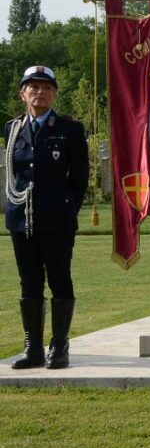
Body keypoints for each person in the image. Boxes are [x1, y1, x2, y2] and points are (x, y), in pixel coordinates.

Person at [5, 65, 88, 370]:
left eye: (46, 88)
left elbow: (79, 179)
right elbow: (15, 171)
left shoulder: (69, 129)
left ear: (54, 94)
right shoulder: (12, 129)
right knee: (29, 283)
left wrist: (67, 210)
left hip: (57, 219)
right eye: (34, 87)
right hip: (21, 218)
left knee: (59, 280)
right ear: (23, 94)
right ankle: (33, 349)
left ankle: (59, 346)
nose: (40, 92)